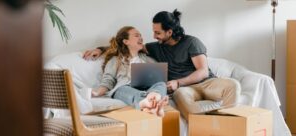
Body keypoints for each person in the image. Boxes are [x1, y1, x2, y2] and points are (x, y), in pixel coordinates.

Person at [83, 10, 240, 120]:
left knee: (233, 85)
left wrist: (177, 82)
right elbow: (123, 46)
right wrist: (100, 49)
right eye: (153, 32)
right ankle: (202, 125)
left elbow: (203, 72)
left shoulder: (191, 42)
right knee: (181, 99)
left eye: (157, 33)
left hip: (206, 83)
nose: (153, 36)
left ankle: (229, 123)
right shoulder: (155, 47)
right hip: (184, 91)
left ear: (169, 32)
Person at [91, 26, 169, 117]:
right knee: (122, 89)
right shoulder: (116, 60)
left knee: (161, 84)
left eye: (141, 36)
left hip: (147, 88)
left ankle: (153, 100)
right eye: (136, 35)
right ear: (126, 41)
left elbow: (159, 76)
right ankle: (150, 103)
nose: (141, 38)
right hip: (124, 88)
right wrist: (97, 92)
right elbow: (108, 80)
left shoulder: (148, 59)